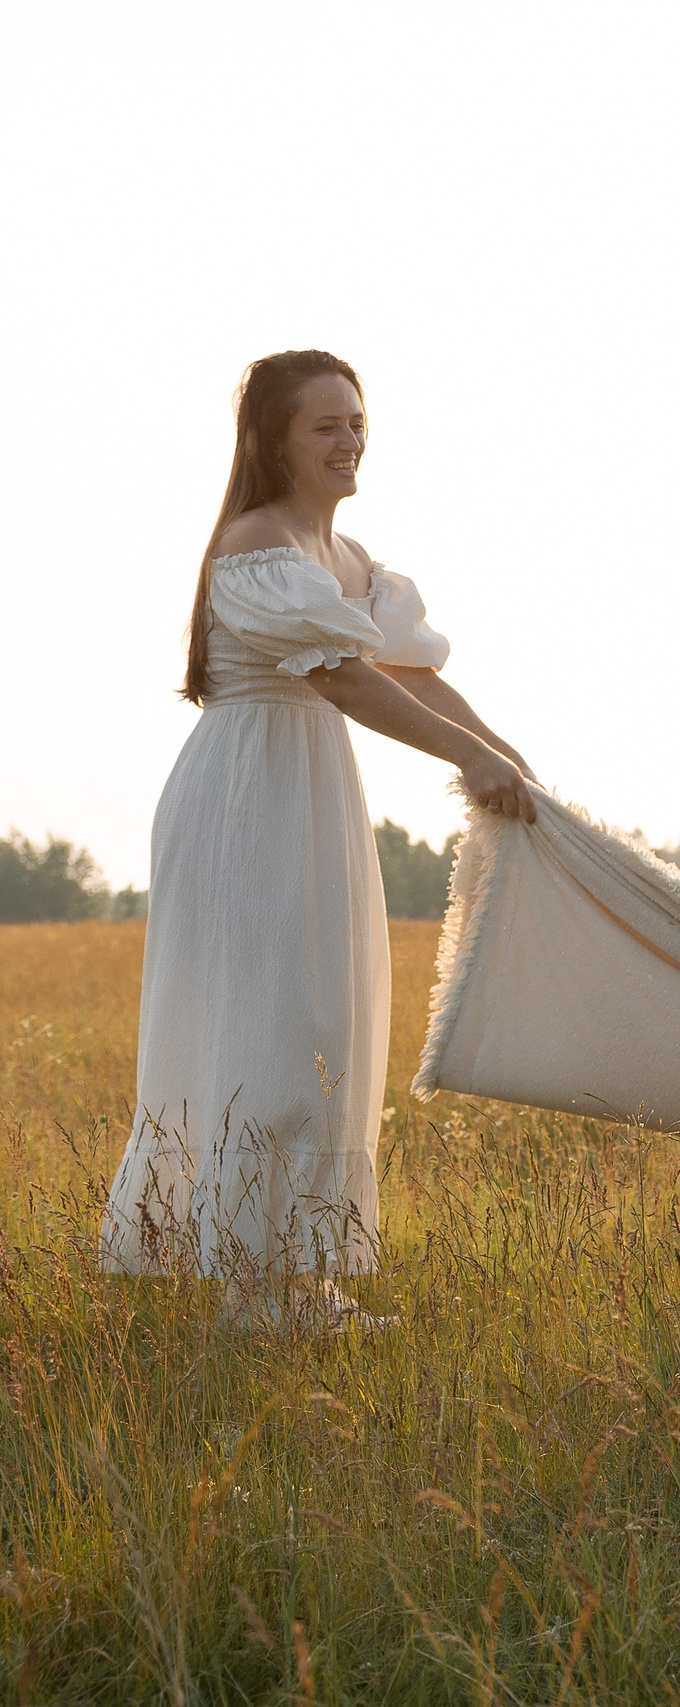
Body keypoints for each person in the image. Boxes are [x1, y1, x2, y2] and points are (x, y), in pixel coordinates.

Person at [102, 351, 538, 1335]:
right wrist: (468, 763)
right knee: (267, 1022)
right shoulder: (255, 545)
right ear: (273, 440)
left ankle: (301, 1277)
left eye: (356, 422)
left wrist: (507, 755)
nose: (349, 441)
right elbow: (344, 677)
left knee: (325, 1027)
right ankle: (251, 1290)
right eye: (325, 426)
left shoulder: (352, 562)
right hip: (247, 795)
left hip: (314, 794)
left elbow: (412, 677)